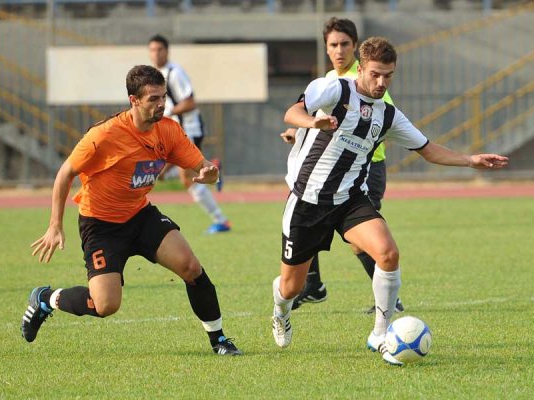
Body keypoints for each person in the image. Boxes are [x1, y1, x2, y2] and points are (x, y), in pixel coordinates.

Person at [271, 37, 508, 365]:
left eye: (388, 75)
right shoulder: (334, 89)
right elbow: (292, 112)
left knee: (388, 253)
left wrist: (470, 160)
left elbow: (428, 150)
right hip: (307, 201)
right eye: (376, 74)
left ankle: (380, 334)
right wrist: (313, 122)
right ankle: (280, 312)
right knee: (291, 287)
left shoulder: (389, 116)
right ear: (361, 69)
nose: (382, 82)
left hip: (350, 199)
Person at [21, 65, 242, 356]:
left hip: (140, 215)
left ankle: (219, 340)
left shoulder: (169, 130)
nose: (161, 104)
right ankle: (46, 298)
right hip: (101, 225)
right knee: (105, 305)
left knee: (191, 267)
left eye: (163, 97)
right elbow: (65, 173)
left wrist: (210, 174)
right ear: (133, 100)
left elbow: (204, 168)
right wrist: (55, 224)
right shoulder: (104, 135)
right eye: (153, 99)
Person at [281, 18, 403, 314]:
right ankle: (313, 284)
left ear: (356, 48)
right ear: (326, 47)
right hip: (329, 168)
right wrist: (299, 130)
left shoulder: (370, 79)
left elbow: (379, 120)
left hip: (367, 168)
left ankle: (389, 299)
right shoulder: (329, 79)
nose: (339, 50)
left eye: (345, 44)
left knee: (360, 240)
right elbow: (318, 118)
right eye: (333, 45)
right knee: (307, 204)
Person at [148, 35, 231, 234]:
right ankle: (211, 167)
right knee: (164, 173)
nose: (156, 53)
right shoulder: (157, 74)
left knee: (185, 178)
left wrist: (168, 112)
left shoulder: (175, 73)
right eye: (152, 50)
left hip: (188, 129)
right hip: (175, 131)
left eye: (159, 49)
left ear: (167, 51)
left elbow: (190, 102)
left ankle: (221, 220)